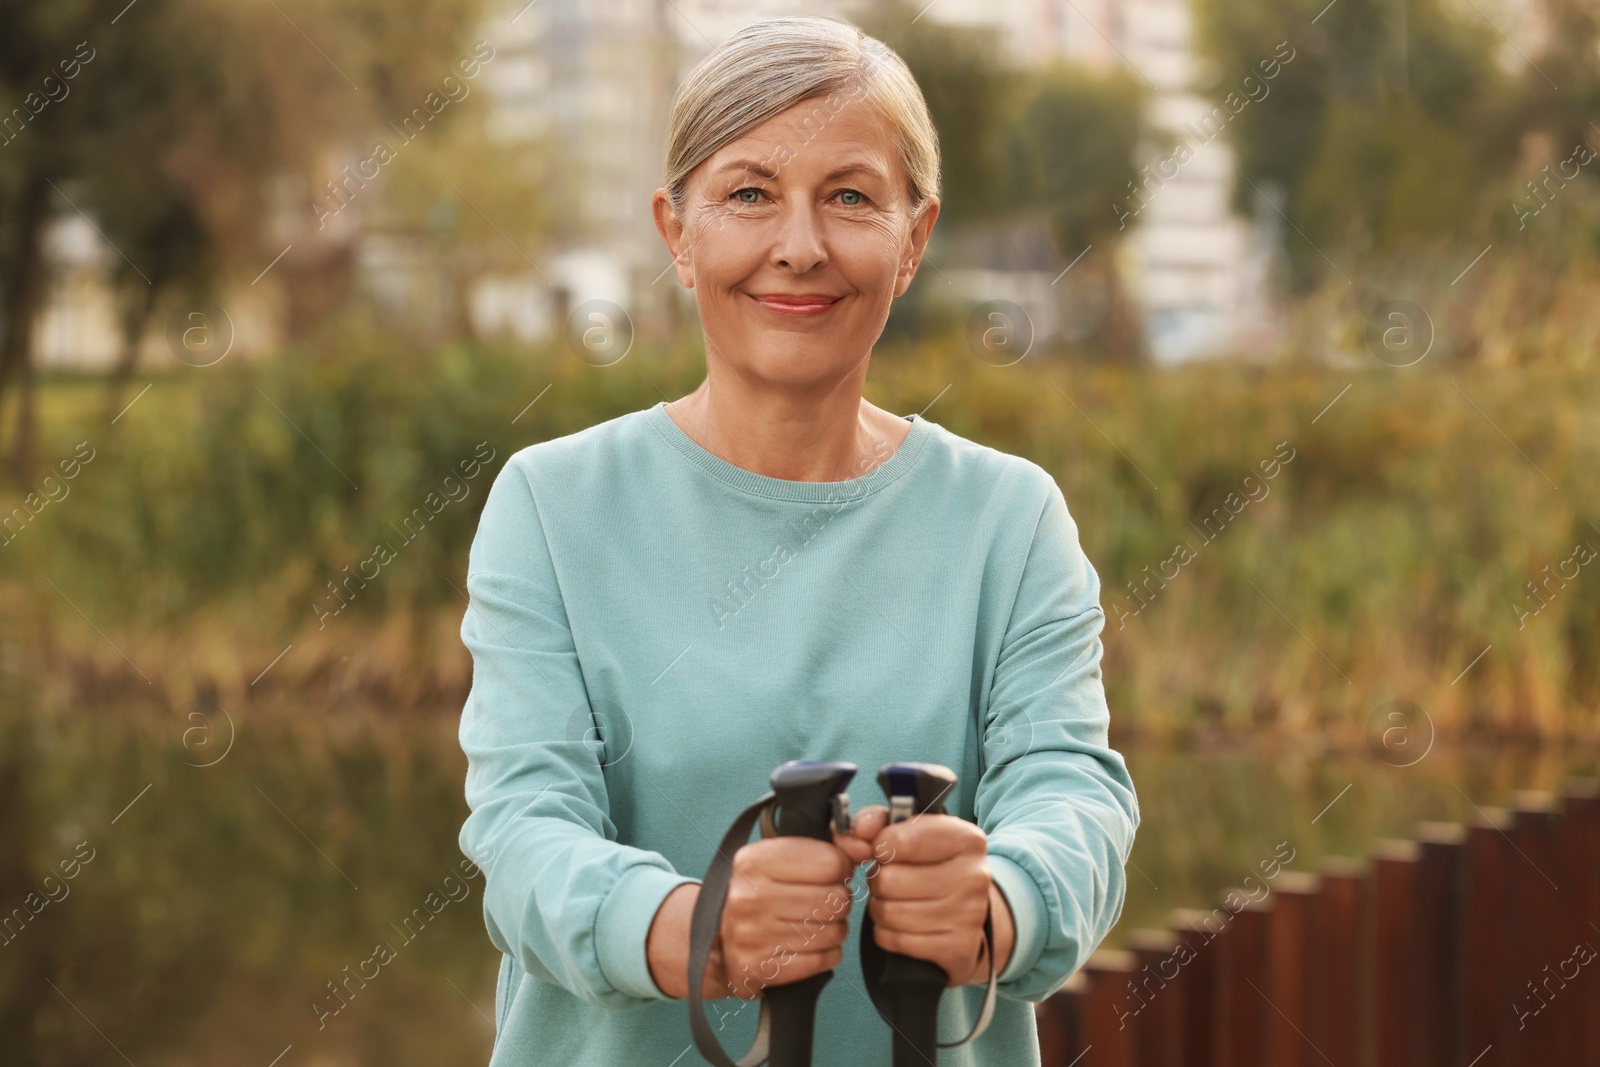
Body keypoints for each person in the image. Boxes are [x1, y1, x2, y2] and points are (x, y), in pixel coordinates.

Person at [456, 15, 1139, 1066]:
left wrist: (997, 901)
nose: (800, 244)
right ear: (675, 230)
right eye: (748, 192)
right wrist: (699, 925)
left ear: (913, 240)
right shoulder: (552, 506)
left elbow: (1073, 795)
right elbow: (523, 834)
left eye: (852, 196)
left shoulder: (1011, 521)